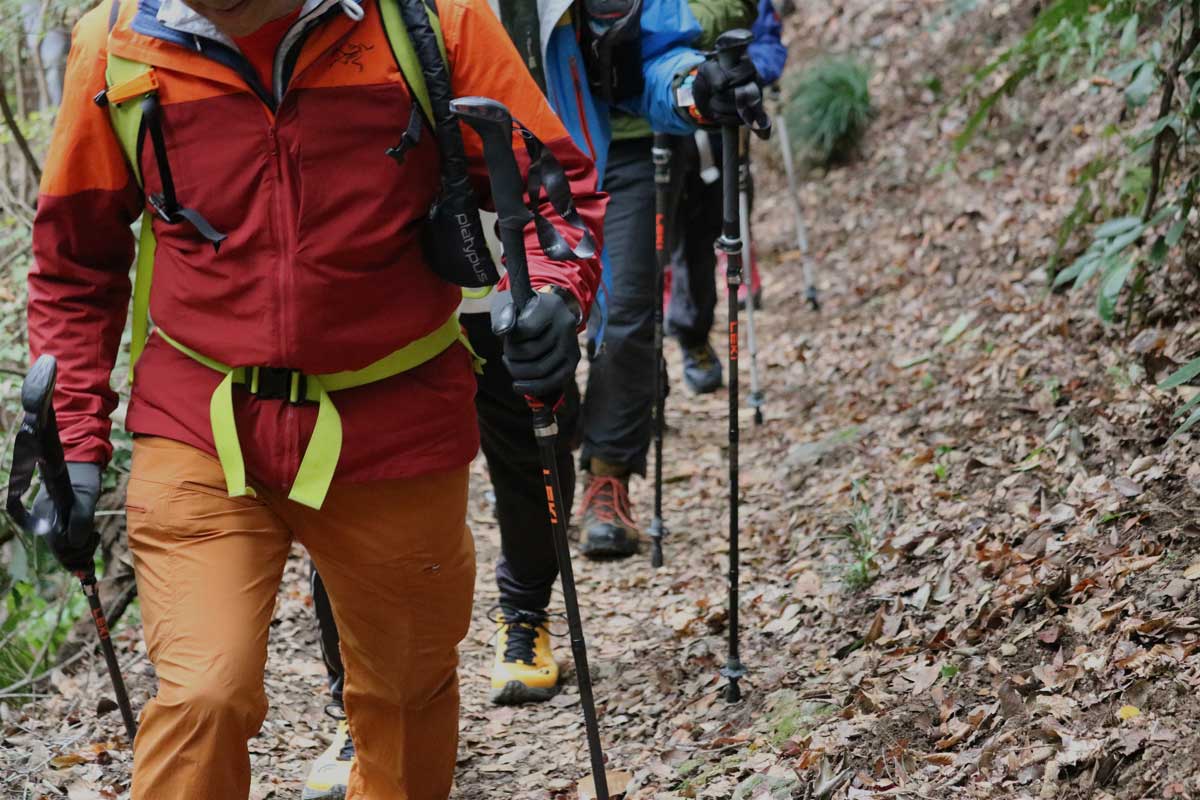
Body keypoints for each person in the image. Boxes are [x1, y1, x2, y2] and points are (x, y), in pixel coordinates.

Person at [27, 0, 606, 796]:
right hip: (201, 424)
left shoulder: (435, 22)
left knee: (404, 697)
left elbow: (551, 188)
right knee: (202, 697)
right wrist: (72, 444)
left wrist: (557, 293)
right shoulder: (117, 47)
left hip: (395, 422)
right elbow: (74, 264)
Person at [302, 0, 768, 795]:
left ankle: (525, 615)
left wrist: (696, 88)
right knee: (357, 477)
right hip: (377, 257)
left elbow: (642, 53)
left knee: (527, 442)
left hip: (527, 241)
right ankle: (359, 703)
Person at [577, 0, 761, 554]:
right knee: (523, 322)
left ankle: (607, 478)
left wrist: (694, 86)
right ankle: (536, 466)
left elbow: (664, 42)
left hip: (632, 140)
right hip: (513, 144)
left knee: (626, 312)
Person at [664, 0, 787, 394]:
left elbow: (767, 41)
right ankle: (646, 362)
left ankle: (692, 335)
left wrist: (745, 75)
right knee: (660, 238)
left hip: (721, 125)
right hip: (654, 121)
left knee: (703, 231)